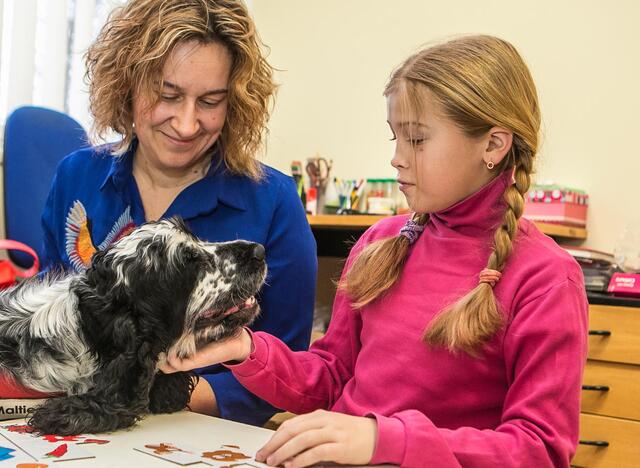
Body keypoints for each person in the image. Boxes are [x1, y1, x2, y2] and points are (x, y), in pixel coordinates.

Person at [0, 0, 316, 427]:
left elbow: (289, 374)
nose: (186, 123)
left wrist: (137, 392)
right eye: (167, 95)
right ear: (127, 84)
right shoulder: (77, 175)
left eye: (210, 101)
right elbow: (56, 320)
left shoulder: (272, 200)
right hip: (73, 417)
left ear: (235, 100)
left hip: (184, 428)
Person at [161, 35, 588, 467]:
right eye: (395, 139)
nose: (398, 159)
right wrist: (245, 348)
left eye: (417, 140)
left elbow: (540, 450)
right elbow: (329, 378)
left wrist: (385, 439)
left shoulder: (546, 278)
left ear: (494, 145)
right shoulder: (381, 242)